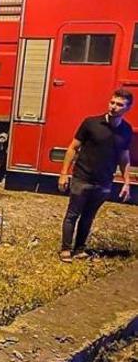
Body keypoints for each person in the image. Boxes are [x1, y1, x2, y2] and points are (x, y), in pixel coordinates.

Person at [58, 88, 133, 262]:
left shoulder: (126, 130)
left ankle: (80, 249)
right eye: (112, 102)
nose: (114, 107)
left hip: (104, 182)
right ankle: (66, 249)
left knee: (88, 217)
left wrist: (126, 182)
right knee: (72, 215)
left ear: (127, 109)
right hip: (82, 178)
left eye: (119, 105)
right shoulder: (91, 123)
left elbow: (124, 157)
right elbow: (72, 148)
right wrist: (64, 173)